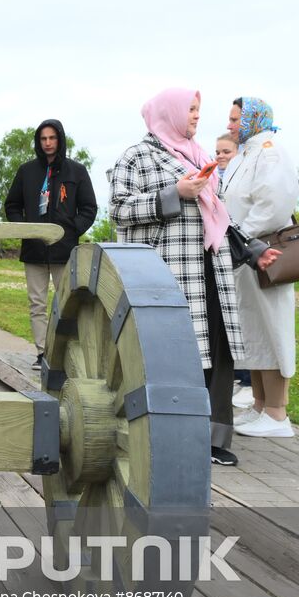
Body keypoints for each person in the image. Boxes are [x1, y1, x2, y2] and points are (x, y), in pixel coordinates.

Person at [109, 88, 279, 467]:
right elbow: (118, 210)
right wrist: (175, 192)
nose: (196, 116)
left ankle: (213, 440)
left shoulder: (199, 154)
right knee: (177, 355)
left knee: (218, 355)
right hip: (167, 271)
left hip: (210, 271)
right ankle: (170, 437)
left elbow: (218, 213)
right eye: (190, 109)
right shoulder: (136, 157)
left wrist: (253, 250)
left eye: (198, 110)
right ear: (168, 113)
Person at [221, 98, 299, 439]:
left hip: (264, 251)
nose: (230, 124)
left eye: (236, 118)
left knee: (272, 328)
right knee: (252, 330)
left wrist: (241, 235)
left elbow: (273, 205)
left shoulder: (269, 152)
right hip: (245, 253)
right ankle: (259, 404)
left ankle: (277, 411)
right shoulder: (248, 152)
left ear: (254, 119)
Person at [2, 119, 98, 367]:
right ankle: (43, 353)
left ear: (60, 139)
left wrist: (71, 231)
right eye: (43, 139)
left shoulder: (76, 172)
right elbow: (12, 205)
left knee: (66, 304)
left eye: (52, 138)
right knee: (37, 303)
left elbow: (89, 208)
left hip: (64, 252)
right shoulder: (27, 171)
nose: (47, 143)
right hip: (34, 251)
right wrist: (25, 228)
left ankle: (65, 355)